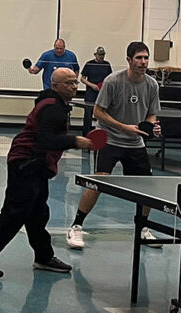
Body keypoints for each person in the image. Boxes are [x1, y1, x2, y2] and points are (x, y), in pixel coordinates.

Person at [0, 68, 93, 278]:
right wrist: (75, 141)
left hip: (38, 165)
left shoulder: (56, 104)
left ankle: (43, 257)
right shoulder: (53, 107)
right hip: (26, 162)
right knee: (16, 211)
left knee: (37, 214)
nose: (75, 86)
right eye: (69, 83)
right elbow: (45, 139)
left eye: (75, 82)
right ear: (56, 86)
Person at [66, 41, 162, 250]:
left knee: (148, 187)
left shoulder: (152, 85)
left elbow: (152, 113)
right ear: (129, 60)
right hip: (110, 139)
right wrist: (123, 127)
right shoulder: (113, 81)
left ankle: (143, 228)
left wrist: (151, 126)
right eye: (139, 58)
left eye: (146, 57)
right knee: (98, 182)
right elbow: (99, 112)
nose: (143, 62)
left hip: (136, 142)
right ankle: (76, 226)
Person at [78, 46, 113, 135]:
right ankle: (86, 134)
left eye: (103, 55)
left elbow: (110, 78)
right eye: (100, 55)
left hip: (103, 92)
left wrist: (104, 86)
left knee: (103, 114)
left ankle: (102, 133)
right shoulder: (89, 64)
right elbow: (82, 78)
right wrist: (91, 85)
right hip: (90, 92)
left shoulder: (107, 64)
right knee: (88, 114)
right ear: (95, 55)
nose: (101, 57)